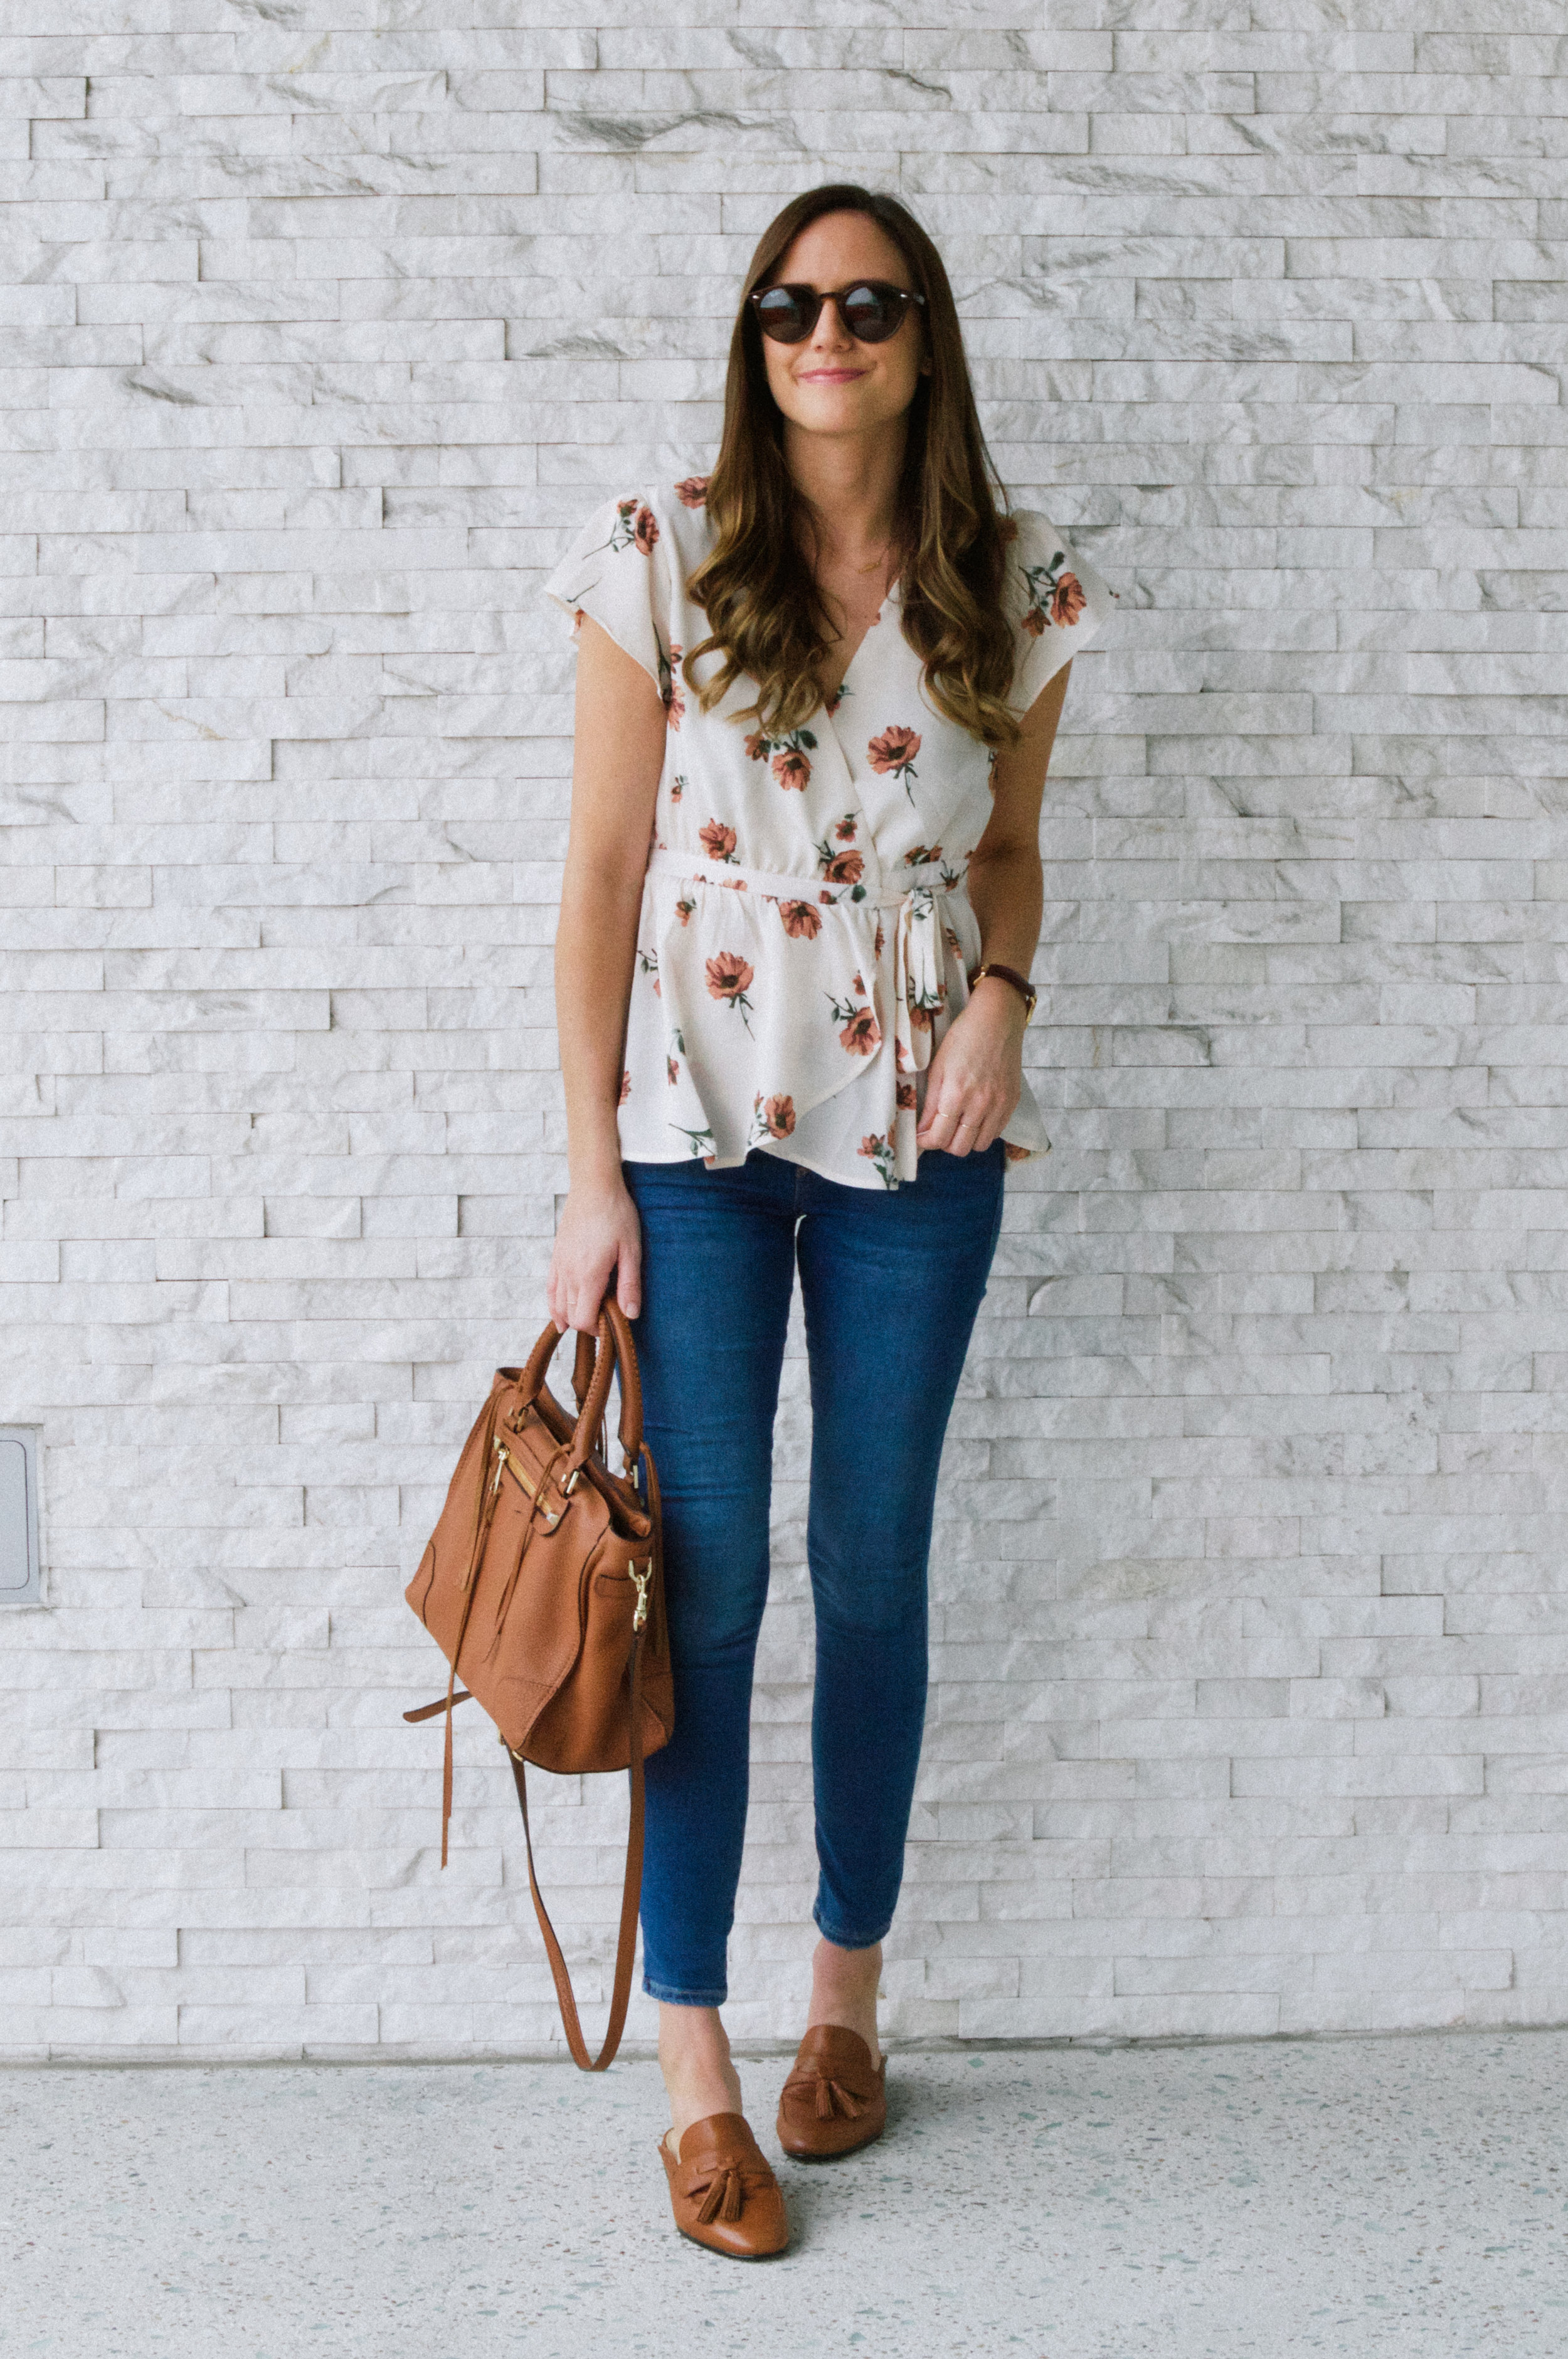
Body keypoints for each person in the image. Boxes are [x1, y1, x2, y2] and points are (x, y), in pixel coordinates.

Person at [543, 181, 1114, 2259]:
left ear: (919, 335)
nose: (824, 332)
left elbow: (1020, 855)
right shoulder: (666, 555)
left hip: (918, 1144)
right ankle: (691, 2071)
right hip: (692, 1136)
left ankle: (843, 2001)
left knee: (872, 1566)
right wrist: (588, 1179)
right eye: (789, 301)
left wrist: (1003, 1004)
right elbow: (601, 880)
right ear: (754, 332)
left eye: (865, 302)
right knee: (695, 1593)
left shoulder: (1018, 584)